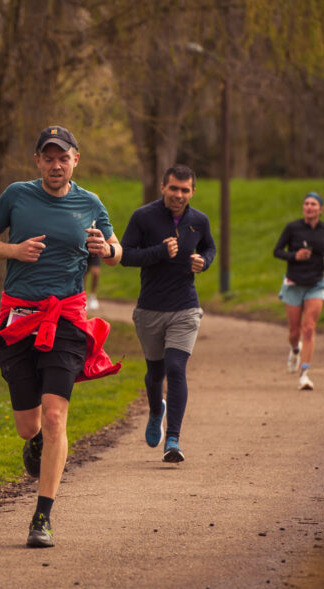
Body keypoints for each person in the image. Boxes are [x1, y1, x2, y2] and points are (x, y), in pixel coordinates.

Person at [0, 125, 122, 548]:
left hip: (67, 321)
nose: (56, 164)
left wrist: (106, 249)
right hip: (20, 318)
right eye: (49, 157)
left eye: (64, 157)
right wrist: (14, 250)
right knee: (29, 425)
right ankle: (35, 440)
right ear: (38, 161)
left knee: (57, 414)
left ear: (76, 159)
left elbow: (116, 251)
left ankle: (42, 517)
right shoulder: (16, 195)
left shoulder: (90, 203)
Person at [119, 164, 215, 464]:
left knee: (175, 368)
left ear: (193, 191)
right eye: (174, 188)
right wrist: (159, 252)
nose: (179, 195)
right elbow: (125, 255)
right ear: (163, 187)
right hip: (150, 309)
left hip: (185, 307)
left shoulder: (199, 221)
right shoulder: (143, 217)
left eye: (185, 190)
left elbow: (210, 248)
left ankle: (173, 439)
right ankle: (156, 409)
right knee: (155, 373)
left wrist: (205, 261)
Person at [273, 192, 324, 390]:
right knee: (295, 332)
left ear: (321, 209)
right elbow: (277, 251)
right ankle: (295, 350)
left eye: (313, 204)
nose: (309, 207)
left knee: (309, 328)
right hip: (294, 284)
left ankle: (304, 374)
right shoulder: (292, 228)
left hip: (316, 284)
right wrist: (295, 256)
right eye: (306, 204)